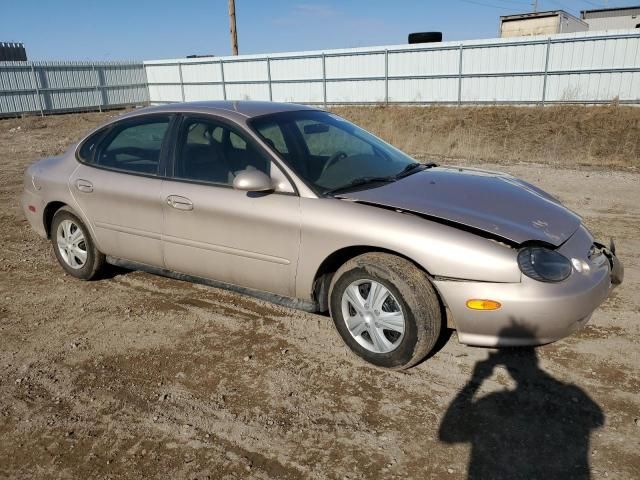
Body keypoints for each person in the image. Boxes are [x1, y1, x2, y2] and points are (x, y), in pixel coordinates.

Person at [438, 323, 604, 479]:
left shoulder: (491, 402)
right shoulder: (570, 394)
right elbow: (596, 419)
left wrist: (476, 380)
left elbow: (447, 434)